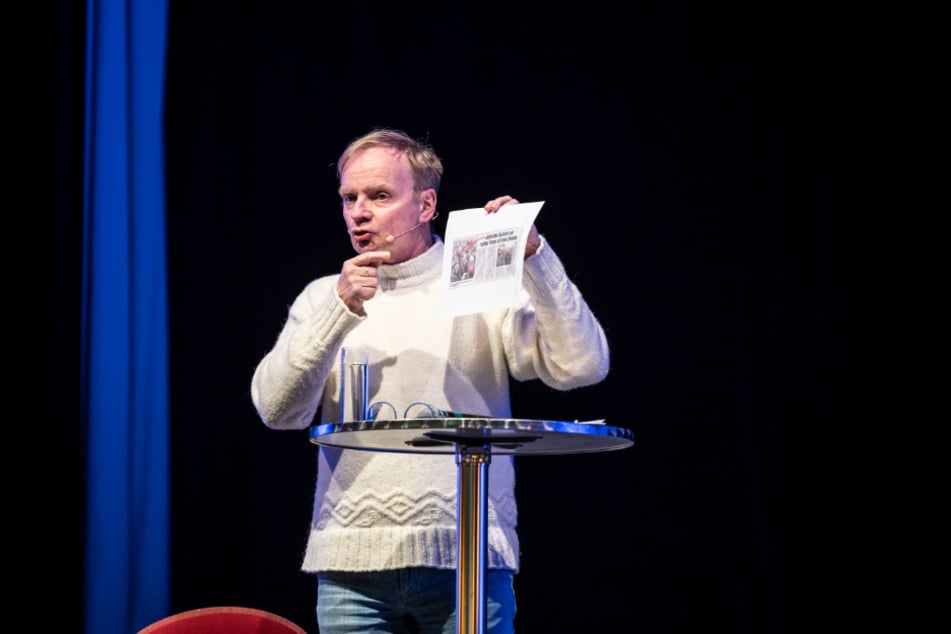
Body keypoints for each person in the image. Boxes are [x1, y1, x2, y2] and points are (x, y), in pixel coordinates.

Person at [251, 128, 610, 633]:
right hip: (351, 568)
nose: (358, 212)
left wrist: (535, 259)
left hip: (466, 556)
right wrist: (340, 310)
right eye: (349, 198)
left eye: (379, 196)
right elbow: (276, 410)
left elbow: (582, 365)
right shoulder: (323, 297)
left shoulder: (478, 281)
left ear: (425, 205)